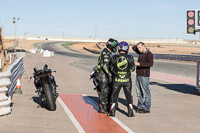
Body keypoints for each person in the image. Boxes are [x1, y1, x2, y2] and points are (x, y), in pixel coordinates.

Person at [108, 41, 135, 117]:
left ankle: (112, 112)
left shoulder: (114, 57)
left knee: (114, 96)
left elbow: (111, 68)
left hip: (116, 79)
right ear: (127, 48)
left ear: (119, 48)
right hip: (127, 80)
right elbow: (133, 68)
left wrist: (117, 72)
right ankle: (130, 112)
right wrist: (126, 72)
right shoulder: (130, 57)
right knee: (129, 96)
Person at [96, 38, 119, 113]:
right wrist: (110, 76)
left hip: (104, 74)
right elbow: (105, 66)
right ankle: (102, 108)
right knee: (104, 91)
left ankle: (106, 106)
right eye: (115, 46)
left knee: (108, 91)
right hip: (103, 75)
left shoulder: (108, 52)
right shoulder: (105, 53)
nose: (116, 48)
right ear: (111, 46)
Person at [132, 42, 153, 113]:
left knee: (146, 92)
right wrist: (138, 47)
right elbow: (133, 48)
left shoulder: (149, 54)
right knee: (138, 92)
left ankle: (147, 108)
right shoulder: (141, 53)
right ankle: (139, 106)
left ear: (144, 46)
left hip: (144, 76)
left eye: (140, 47)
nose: (138, 49)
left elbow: (150, 64)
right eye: (138, 48)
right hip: (138, 74)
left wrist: (139, 64)